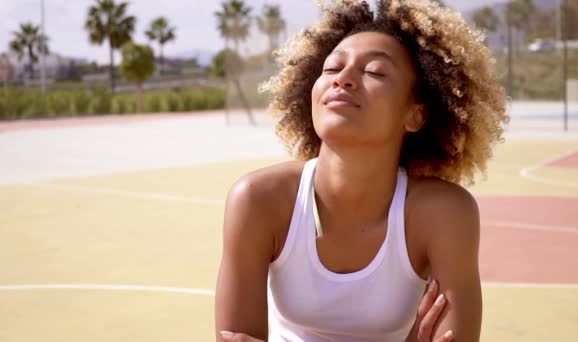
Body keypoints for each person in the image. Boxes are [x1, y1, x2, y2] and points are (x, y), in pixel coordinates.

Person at [215, 0, 508, 341]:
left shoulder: (443, 214)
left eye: (375, 72)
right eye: (330, 69)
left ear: (416, 115)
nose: (343, 79)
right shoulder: (258, 200)